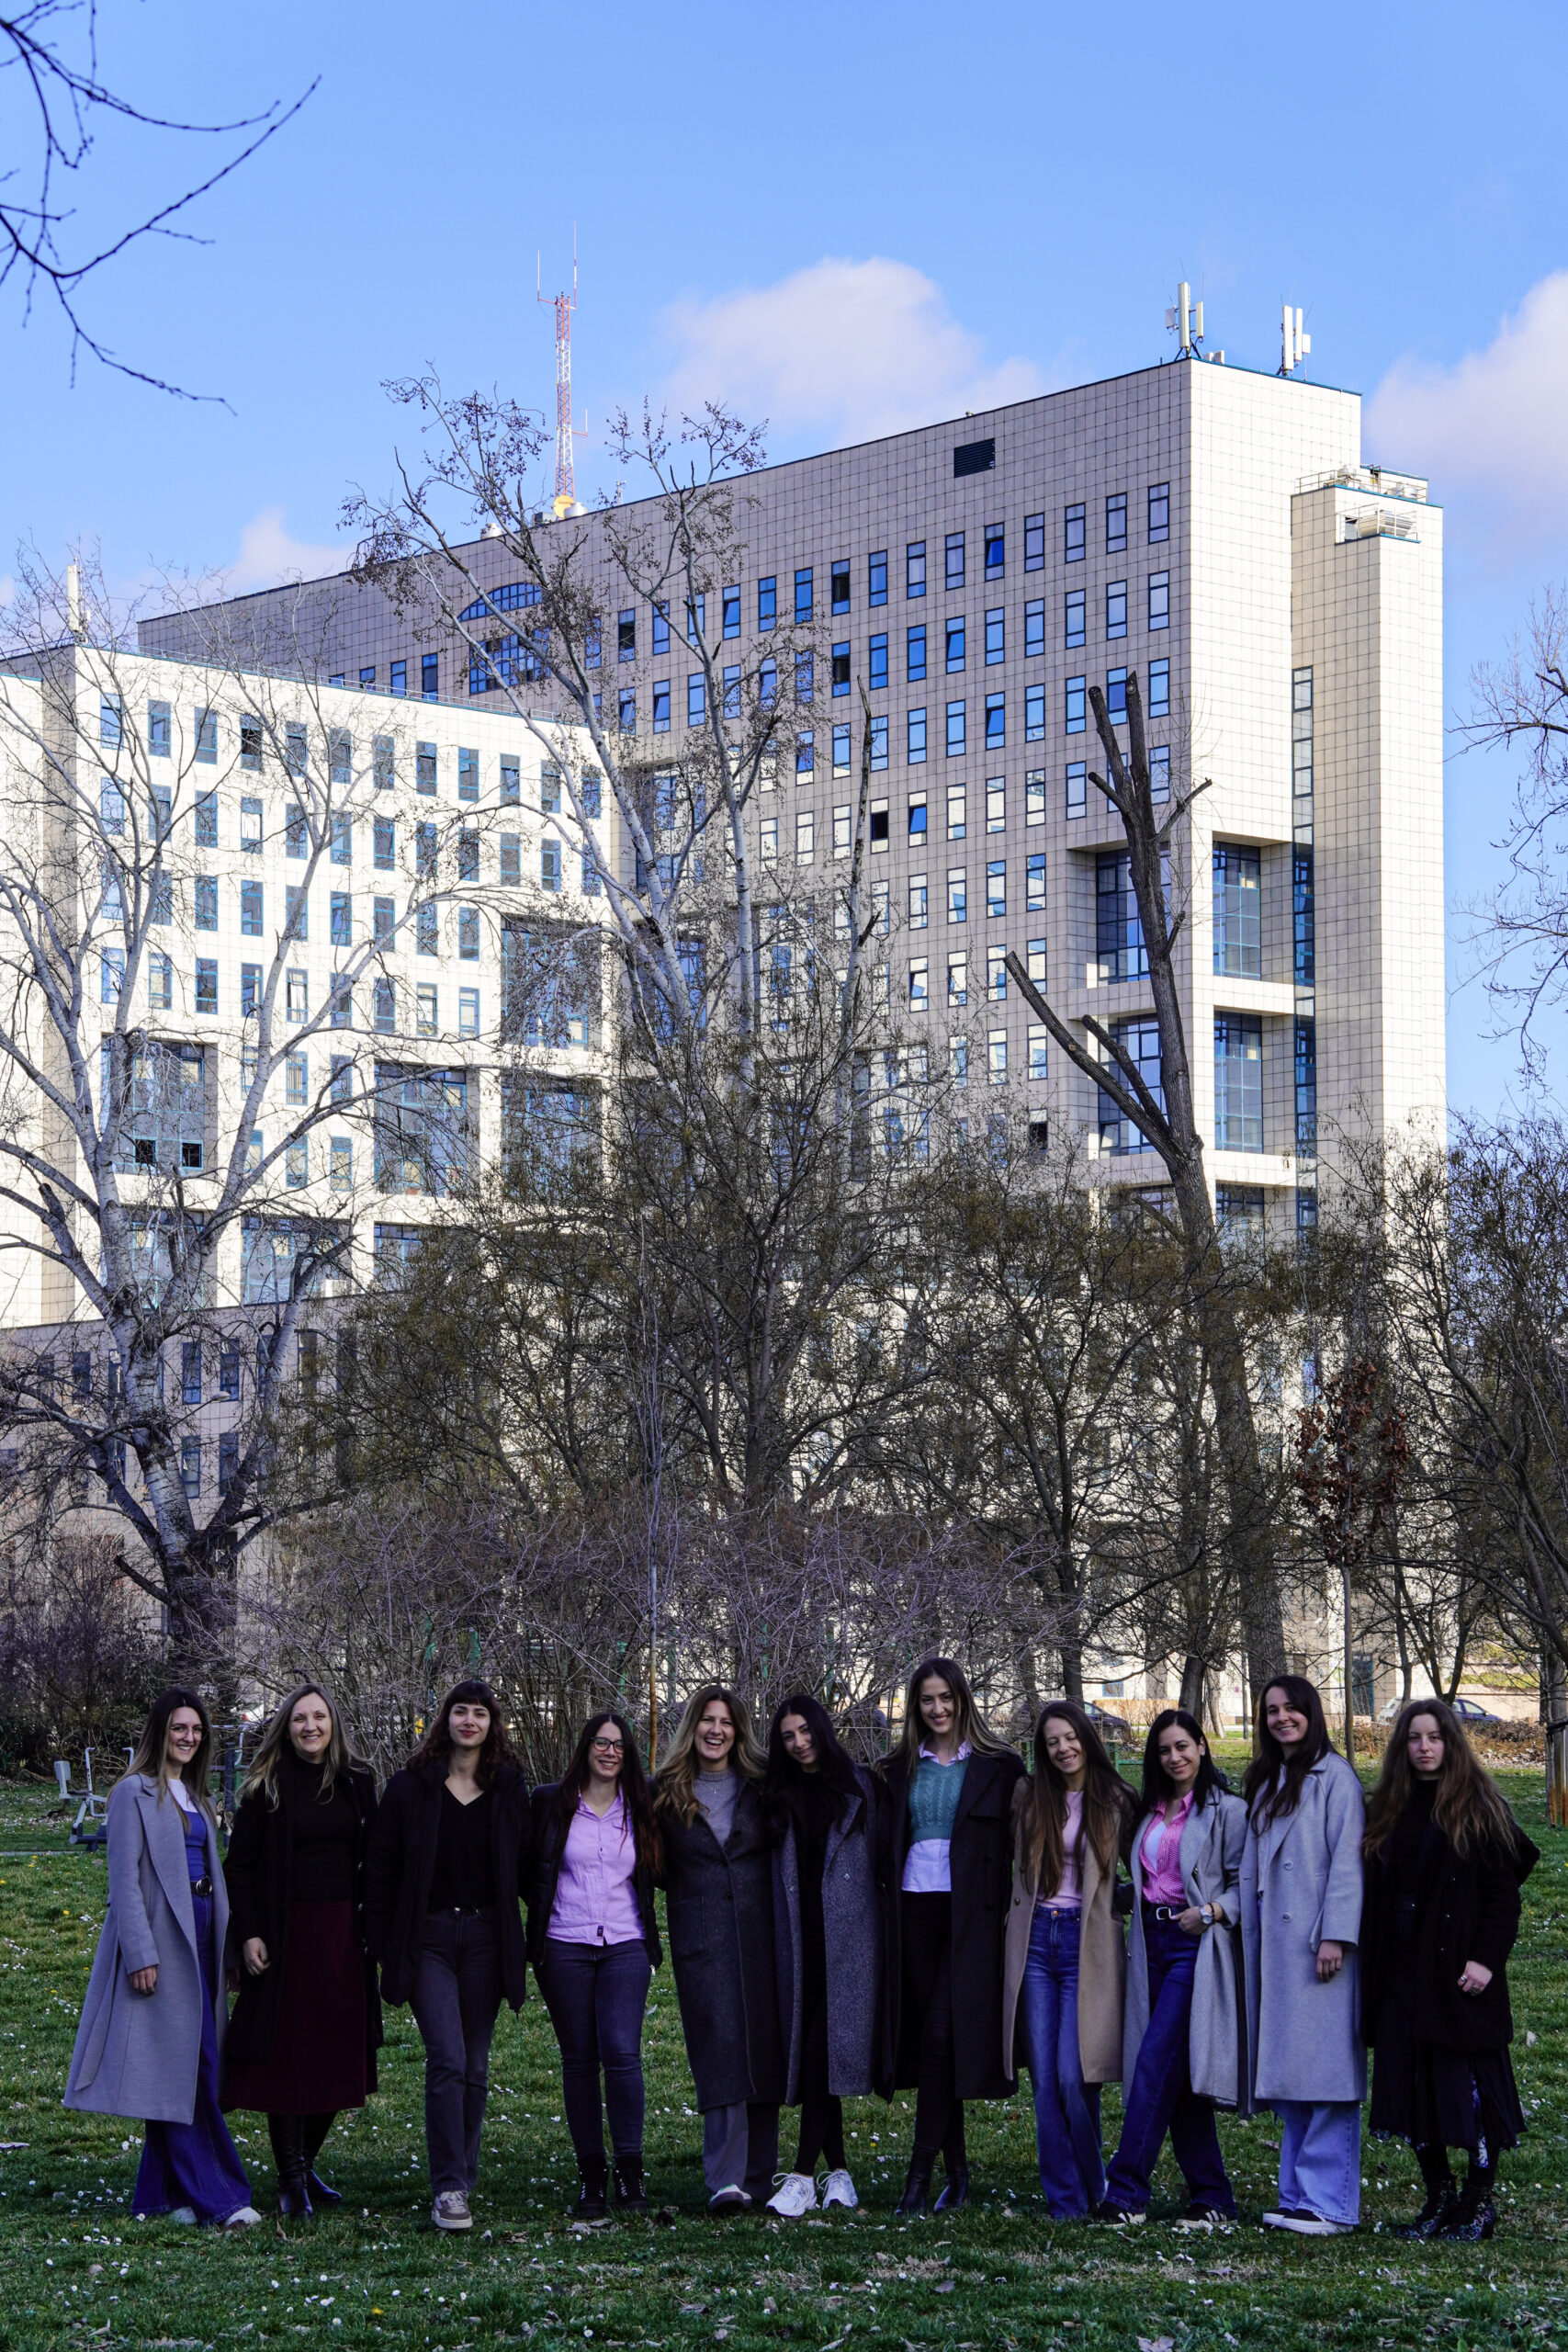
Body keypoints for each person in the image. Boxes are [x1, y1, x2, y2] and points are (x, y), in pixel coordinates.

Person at [64, 1689, 259, 2228]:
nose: (188, 1738)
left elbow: (214, 1876)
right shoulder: (134, 1792)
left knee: (183, 2066)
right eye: (179, 1728)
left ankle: (162, 2196)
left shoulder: (196, 1794)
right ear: (160, 1732)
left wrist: (227, 1950)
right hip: (164, 1939)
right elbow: (123, 1881)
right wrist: (139, 1954)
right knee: (187, 2067)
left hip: (204, 1933)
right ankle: (222, 2199)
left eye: (196, 1730)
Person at [1361, 1698, 1538, 2243]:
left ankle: (1478, 2203)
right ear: (1402, 1746)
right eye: (1414, 1738)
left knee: (1470, 2085)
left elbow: (1503, 1899)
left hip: (1459, 1970)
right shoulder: (1388, 1807)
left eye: (1435, 1737)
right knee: (1413, 2086)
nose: (1424, 1747)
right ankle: (1438, 2199)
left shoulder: (1478, 1806)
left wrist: (1485, 1960)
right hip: (1401, 1969)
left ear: (1451, 1743)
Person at [364, 1679, 530, 2233]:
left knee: (476, 2066)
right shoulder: (411, 1786)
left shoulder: (508, 1787)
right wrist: (380, 1942)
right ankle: (449, 2187)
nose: (469, 1721)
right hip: (428, 1938)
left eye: (480, 1713)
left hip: (487, 1938)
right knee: (448, 2059)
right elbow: (381, 1867)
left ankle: (462, 2173)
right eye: (461, 1711)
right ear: (446, 1719)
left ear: (492, 1724)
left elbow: (529, 1864)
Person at [220, 1683, 382, 2216]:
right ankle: (290, 2179)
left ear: (333, 1723)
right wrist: (248, 1933)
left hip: (345, 1938)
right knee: (290, 2056)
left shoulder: (358, 1780)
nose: (310, 1726)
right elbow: (239, 1868)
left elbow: (376, 1857)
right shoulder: (265, 1786)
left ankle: (306, 2163)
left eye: (319, 1717)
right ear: (286, 1729)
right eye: (299, 1719)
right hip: (285, 1939)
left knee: (339, 2053)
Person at [879, 1656, 1024, 2214]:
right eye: (926, 1700)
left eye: (946, 1697)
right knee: (934, 2045)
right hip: (914, 1910)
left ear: (963, 1699)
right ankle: (957, 2174)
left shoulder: (999, 1766)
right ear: (915, 1707)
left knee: (942, 2037)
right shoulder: (898, 1767)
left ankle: (917, 2178)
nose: (937, 1708)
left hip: (972, 1918)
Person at [1098, 1708, 1247, 2227]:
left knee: (1153, 2062)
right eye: (1164, 1750)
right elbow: (1150, 1878)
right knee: (1176, 2078)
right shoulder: (1150, 1812)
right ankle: (1213, 2196)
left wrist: (1211, 1911)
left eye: (1183, 1746)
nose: (1174, 1757)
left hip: (1194, 1947)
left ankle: (1125, 2193)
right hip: (1148, 1944)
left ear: (1202, 1746)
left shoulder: (1228, 1811)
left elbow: (1245, 1884)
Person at [1240, 1675, 1366, 2236]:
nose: (1281, 1718)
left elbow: (1348, 1862)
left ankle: (1329, 2204)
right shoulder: (1269, 1779)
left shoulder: (1335, 1776)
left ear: (1312, 1713)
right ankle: (1296, 2197)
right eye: (1272, 1710)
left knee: (1326, 2078)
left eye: (1292, 1708)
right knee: (1293, 2077)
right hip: (1277, 1951)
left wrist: (1335, 1935)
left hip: (1319, 1949)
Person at [654, 1685, 785, 2212]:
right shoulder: (665, 1793)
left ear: (738, 1730)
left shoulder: (763, 1785)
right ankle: (726, 2180)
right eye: (707, 1720)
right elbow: (647, 1862)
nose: (716, 1730)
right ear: (693, 1727)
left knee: (765, 2048)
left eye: (726, 1722)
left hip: (763, 1935)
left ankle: (759, 2176)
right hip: (702, 1940)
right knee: (721, 2049)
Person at [1000, 1701, 1134, 2219]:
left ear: (1086, 1737)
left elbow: (1149, 1868)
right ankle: (1066, 2200)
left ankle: (1094, 2185)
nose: (1063, 1748)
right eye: (1052, 1741)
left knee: (1075, 2077)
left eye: (1070, 1737)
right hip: (1035, 1941)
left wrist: (1118, 1906)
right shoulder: (1029, 1796)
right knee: (1045, 2083)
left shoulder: (1116, 1798)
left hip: (1087, 1945)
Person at [528, 1712, 663, 2220]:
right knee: (580, 2060)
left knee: (623, 2053)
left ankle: (630, 2173)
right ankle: (591, 2177)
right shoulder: (550, 1803)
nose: (610, 1752)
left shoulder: (642, 1805)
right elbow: (530, 1872)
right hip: (565, 1945)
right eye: (601, 1743)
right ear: (585, 1748)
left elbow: (658, 1869)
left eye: (619, 1745)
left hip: (626, 1943)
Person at [763, 1693, 886, 2218]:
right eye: (788, 1736)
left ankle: (801, 2176)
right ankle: (839, 2175)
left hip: (849, 1941)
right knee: (821, 2058)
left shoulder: (860, 1786)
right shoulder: (778, 1792)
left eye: (805, 1731)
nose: (799, 1743)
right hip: (799, 1941)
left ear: (822, 1729)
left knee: (819, 2054)